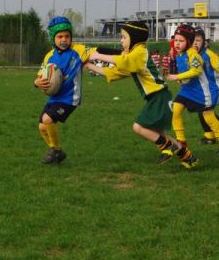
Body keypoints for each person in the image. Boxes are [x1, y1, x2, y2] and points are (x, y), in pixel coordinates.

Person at [85, 21, 198, 169]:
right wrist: (88, 65)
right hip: (159, 97)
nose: (121, 41)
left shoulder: (139, 52)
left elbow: (124, 61)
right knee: (157, 132)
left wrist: (97, 55)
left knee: (138, 127)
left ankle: (168, 146)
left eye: (124, 37)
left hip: (158, 97)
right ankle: (188, 156)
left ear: (134, 38)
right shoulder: (135, 57)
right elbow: (114, 73)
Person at [34, 16, 95, 164]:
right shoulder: (49, 56)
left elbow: (97, 52)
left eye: (67, 36)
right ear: (53, 38)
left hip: (70, 98)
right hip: (55, 97)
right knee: (42, 126)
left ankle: (55, 150)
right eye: (60, 36)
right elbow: (38, 78)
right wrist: (38, 82)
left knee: (47, 119)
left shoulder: (77, 50)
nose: (64, 39)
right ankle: (58, 152)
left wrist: (120, 55)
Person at [166, 24, 219, 156]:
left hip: (205, 91)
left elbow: (196, 70)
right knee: (175, 109)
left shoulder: (197, 54)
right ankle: (181, 141)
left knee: (208, 116)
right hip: (188, 90)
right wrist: (181, 79)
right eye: (176, 40)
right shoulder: (180, 53)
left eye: (198, 40)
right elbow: (185, 70)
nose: (195, 43)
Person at [192, 27, 219, 151]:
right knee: (202, 112)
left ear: (204, 42)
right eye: (193, 40)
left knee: (205, 112)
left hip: (214, 88)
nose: (195, 43)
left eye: (198, 40)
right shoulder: (191, 54)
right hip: (202, 88)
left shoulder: (209, 55)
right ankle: (210, 136)